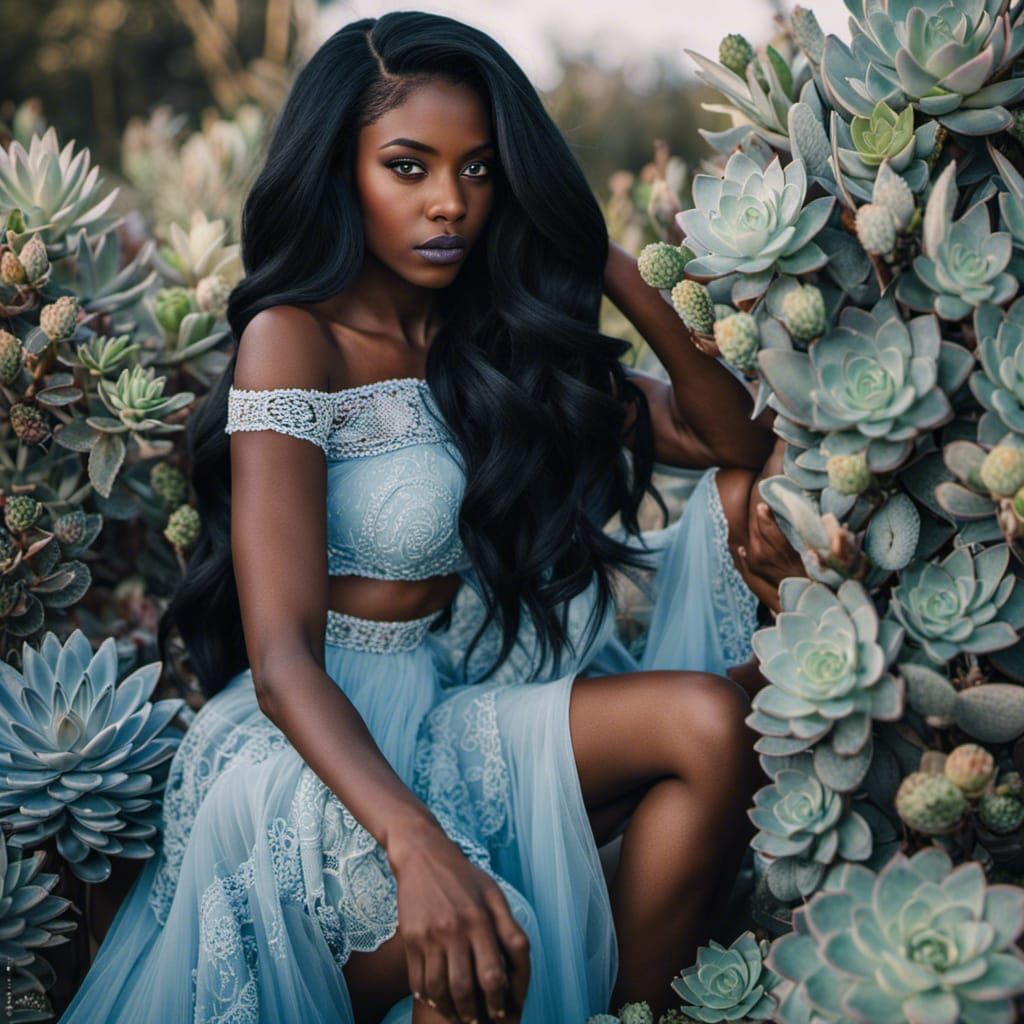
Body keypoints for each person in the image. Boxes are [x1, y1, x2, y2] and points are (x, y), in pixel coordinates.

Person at [60, 12, 795, 1024]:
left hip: (445, 710)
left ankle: (640, 1011)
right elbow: (280, 659)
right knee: (491, 947)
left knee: (710, 725)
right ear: (339, 170)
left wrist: (607, 261)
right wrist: (418, 845)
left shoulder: (490, 339)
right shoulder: (295, 339)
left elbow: (733, 443)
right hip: (311, 750)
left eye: (482, 171)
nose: (450, 203)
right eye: (408, 167)